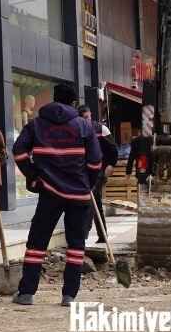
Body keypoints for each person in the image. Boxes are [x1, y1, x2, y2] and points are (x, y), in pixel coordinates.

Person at [12, 82, 103, 307]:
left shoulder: (36, 125)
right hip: (79, 195)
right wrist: (88, 184)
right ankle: (69, 296)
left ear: (53, 98)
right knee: (76, 245)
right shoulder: (84, 126)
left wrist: (33, 177)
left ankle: (26, 293)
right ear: (73, 102)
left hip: (49, 193)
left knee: (37, 243)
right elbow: (95, 162)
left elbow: (19, 152)